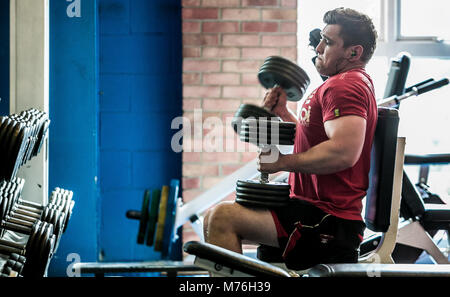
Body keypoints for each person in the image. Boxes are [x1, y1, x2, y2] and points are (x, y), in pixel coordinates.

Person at [202, 7, 378, 270]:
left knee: (221, 218)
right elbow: (319, 140)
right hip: (311, 210)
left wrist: (283, 162)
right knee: (212, 218)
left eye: (328, 42)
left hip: (326, 220)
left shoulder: (344, 86)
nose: (318, 47)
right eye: (321, 38)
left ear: (353, 52)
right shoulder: (345, 83)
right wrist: (284, 113)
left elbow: (343, 151)